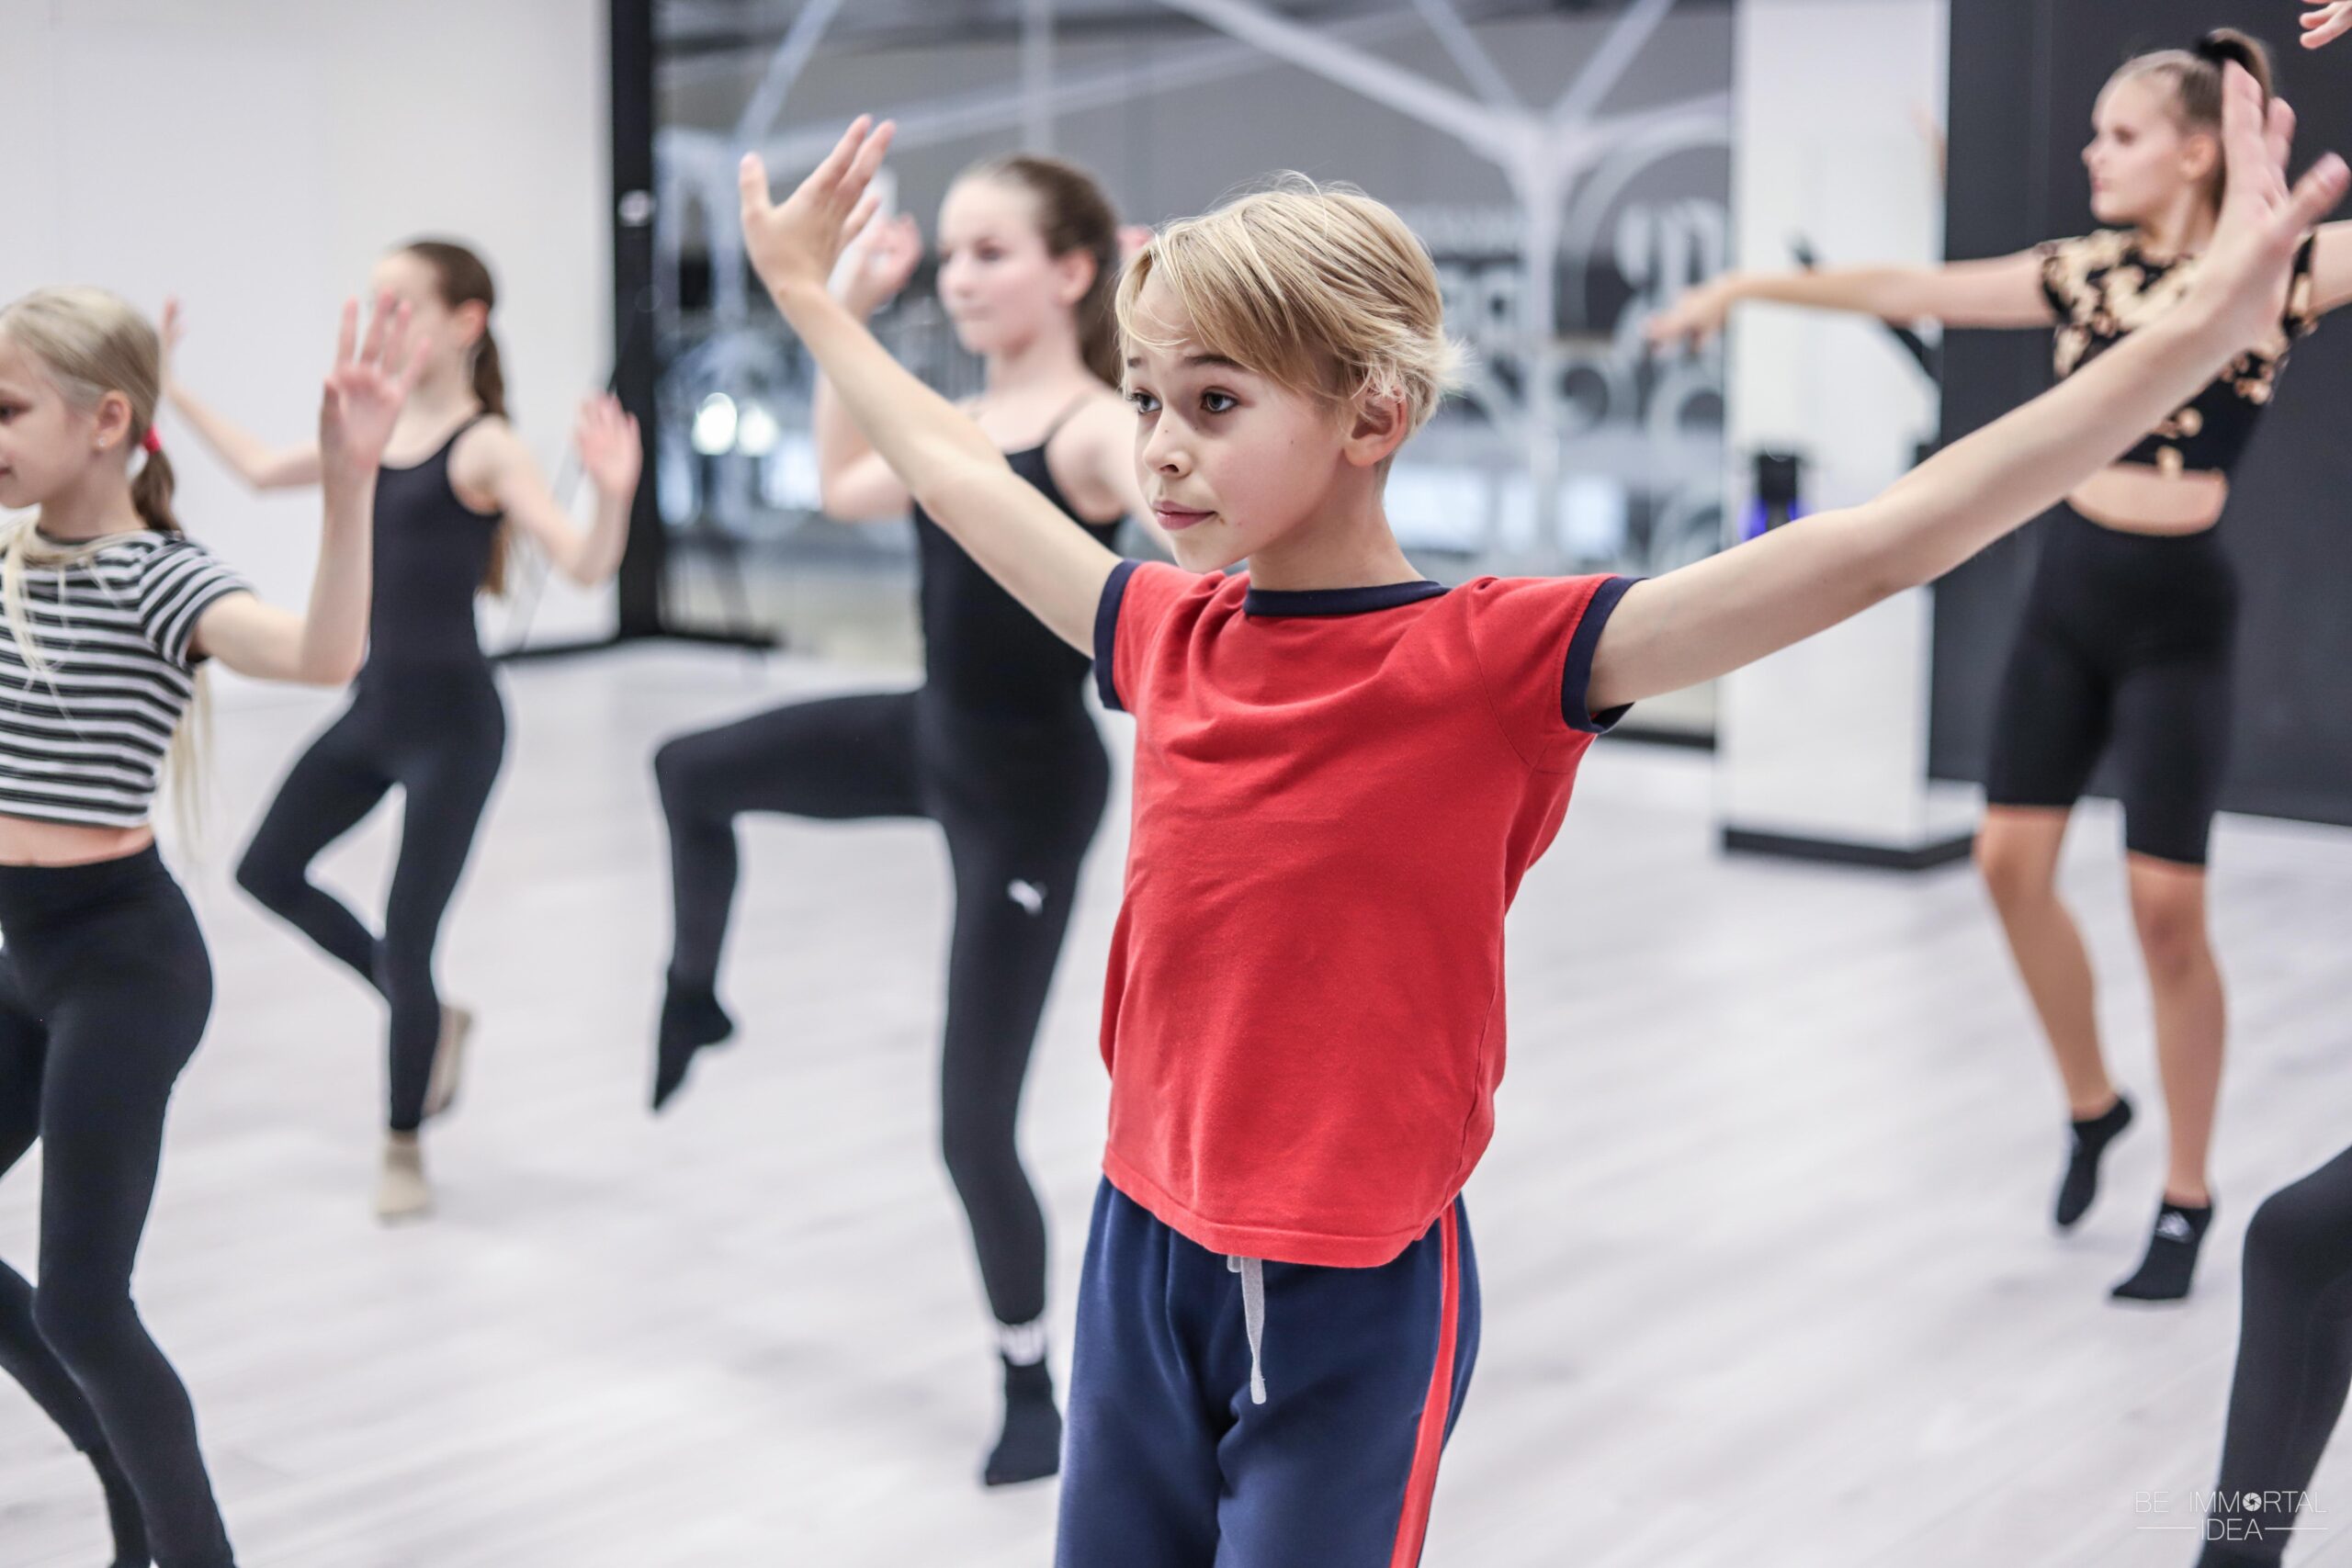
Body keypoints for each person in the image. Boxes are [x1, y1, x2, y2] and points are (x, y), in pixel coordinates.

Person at [736, 65, 2342, 1564]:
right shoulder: (1165, 632)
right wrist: (812, 300)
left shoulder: (1499, 659)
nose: (1160, 447)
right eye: (1146, 397)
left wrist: (2208, 328)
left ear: (1373, 416)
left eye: (1213, 402)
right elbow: (960, 471)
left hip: (1352, 1289)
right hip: (1137, 1247)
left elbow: (1885, 541)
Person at [1648, 30, 2352, 1302]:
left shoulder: (2277, 266)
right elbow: (1903, 285)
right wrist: (1744, 289)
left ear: (2201, 151)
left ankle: (2186, 1193)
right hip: (2068, 594)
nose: (2092, 153)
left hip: (2179, 613)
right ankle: (2093, 1102)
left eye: (2120, 135)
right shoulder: (2082, 272)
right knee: (2006, 864)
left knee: (2166, 911)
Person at [650, 153, 1146, 1486]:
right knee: (689, 769)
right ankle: (694, 995)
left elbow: (1174, 500)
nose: (961, 277)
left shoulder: (1091, 430)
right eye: (955, 253)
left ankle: (1031, 1387)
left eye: (992, 251)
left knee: (970, 1126)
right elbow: (844, 480)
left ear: (1072, 272)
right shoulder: (957, 418)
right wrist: (850, 311)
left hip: (1028, 795)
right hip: (934, 737)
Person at [0, 286, 415, 1568]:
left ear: (105, 421)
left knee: (83, 1301)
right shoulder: (12, 563)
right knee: (69, 1311)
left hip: (124, 966)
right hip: (25, 954)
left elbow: (321, 655)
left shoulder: (161, 577)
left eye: (6, 408)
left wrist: (348, 484)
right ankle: (126, 1483)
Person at [164, 241, 642, 1221]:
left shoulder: (485, 446)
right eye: (374, 304)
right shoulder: (371, 429)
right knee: (266, 871)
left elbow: (586, 565)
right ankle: (429, 1016)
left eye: (402, 305)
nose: (383, 322)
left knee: (413, 938)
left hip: (455, 731)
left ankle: (402, 1143)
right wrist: (170, 387)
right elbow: (257, 469)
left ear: (465, 322)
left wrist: (615, 492)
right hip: (374, 709)